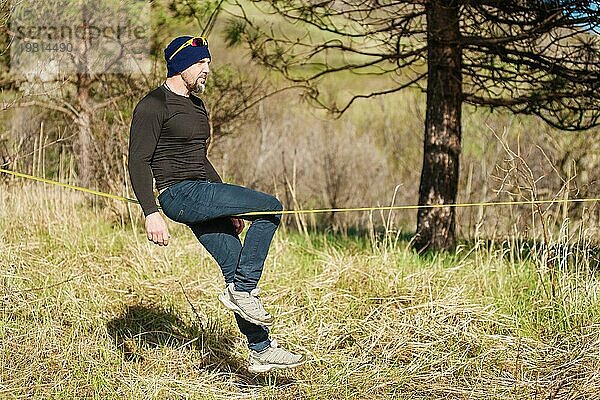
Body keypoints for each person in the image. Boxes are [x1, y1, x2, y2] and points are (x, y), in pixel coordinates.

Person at [127, 35, 304, 373]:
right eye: (201, 63)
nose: (207, 69)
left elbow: (200, 159)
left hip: (202, 190)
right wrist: (150, 211)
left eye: (208, 62)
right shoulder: (153, 105)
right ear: (181, 66)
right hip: (178, 194)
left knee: (233, 263)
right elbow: (138, 161)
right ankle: (246, 289)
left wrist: (229, 207)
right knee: (270, 207)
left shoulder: (195, 104)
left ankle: (260, 350)